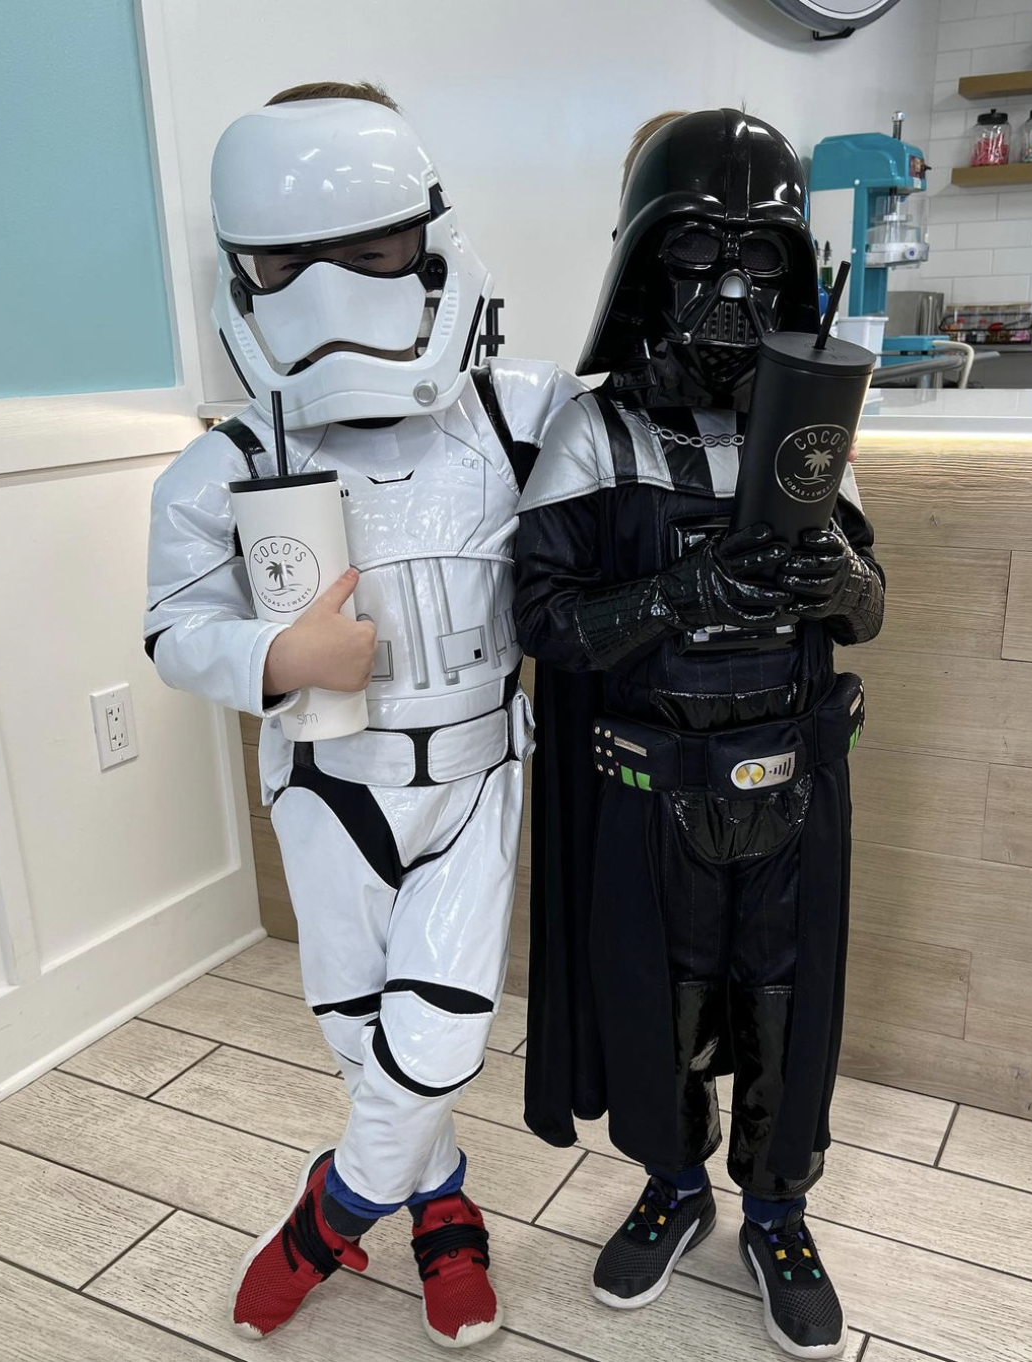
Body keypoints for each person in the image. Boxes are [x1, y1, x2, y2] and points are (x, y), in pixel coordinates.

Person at [144, 80, 580, 1349]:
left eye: (373, 248)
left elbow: (636, 464)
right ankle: (445, 1210)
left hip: (478, 774)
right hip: (327, 784)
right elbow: (178, 631)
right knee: (362, 1036)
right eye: (286, 259)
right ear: (244, 267)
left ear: (428, 241)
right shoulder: (226, 461)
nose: (332, 293)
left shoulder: (515, 415)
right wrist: (280, 652)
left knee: (439, 1035)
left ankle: (326, 1220)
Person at [513, 109, 885, 1360]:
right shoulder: (595, 430)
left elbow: (869, 611)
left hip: (790, 785)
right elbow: (546, 622)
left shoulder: (811, 438)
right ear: (645, 263)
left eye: (758, 259)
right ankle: (675, 1187)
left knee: (786, 1004)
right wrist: (678, 593)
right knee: (657, 1006)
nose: (728, 290)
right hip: (650, 792)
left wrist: (829, 571)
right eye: (695, 256)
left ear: (794, 274)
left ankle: (777, 1207)